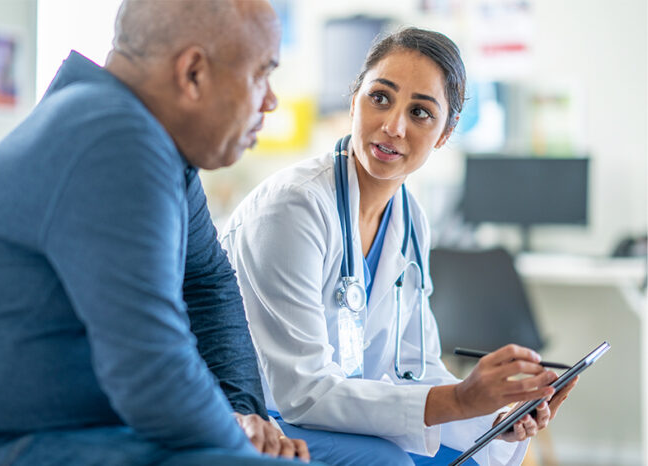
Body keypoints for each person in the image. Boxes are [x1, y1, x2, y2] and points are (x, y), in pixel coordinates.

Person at [221, 27, 578, 466]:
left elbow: (416, 367)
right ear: (354, 101)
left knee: (474, 456)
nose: (393, 126)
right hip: (261, 416)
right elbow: (303, 392)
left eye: (421, 113)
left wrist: (494, 416)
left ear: (445, 134)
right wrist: (460, 400)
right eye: (380, 98)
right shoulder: (293, 209)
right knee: (389, 461)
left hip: (334, 413)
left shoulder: (410, 220)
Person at [0, 0, 315, 464]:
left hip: (80, 428)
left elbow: (208, 282)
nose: (270, 100)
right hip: (11, 440)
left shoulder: (129, 129)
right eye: (262, 73)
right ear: (193, 73)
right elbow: (153, 374)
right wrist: (244, 443)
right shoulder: (115, 137)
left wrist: (243, 411)